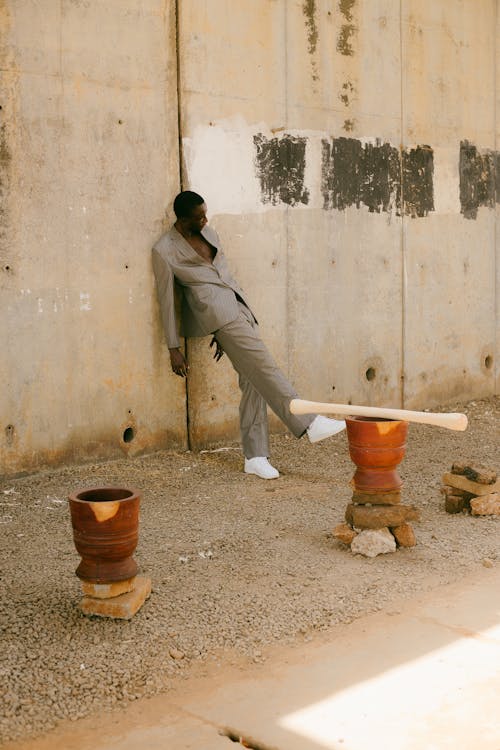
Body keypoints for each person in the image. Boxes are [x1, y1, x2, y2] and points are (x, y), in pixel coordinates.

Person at [152, 190, 345, 479]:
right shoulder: (164, 250)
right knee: (265, 367)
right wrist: (173, 346)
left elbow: (221, 275)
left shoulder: (210, 233)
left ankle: (255, 457)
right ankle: (308, 422)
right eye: (198, 217)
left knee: (254, 379)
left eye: (205, 213)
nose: (205, 220)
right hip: (220, 315)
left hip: (239, 308)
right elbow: (169, 299)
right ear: (181, 219)